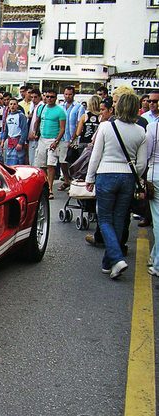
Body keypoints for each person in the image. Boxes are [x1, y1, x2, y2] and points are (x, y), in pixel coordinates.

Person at [86, 93, 147, 279]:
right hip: (128, 178)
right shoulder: (140, 131)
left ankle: (117, 258)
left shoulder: (106, 126)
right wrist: (132, 173)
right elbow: (142, 164)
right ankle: (109, 263)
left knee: (104, 219)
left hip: (106, 174)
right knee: (120, 219)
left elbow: (95, 155)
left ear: (118, 107)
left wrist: (89, 177)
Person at [32, 89, 67, 199]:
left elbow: (62, 129)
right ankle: (43, 187)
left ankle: (50, 189)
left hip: (53, 139)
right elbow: (37, 121)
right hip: (42, 138)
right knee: (41, 165)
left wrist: (56, 141)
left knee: (51, 165)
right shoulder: (41, 108)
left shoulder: (60, 111)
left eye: (52, 97)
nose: (49, 99)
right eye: (47, 96)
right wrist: (34, 131)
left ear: (55, 98)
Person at [59, 86, 85, 189]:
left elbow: (79, 124)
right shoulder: (61, 106)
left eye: (70, 94)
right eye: (66, 94)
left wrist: (72, 139)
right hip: (62, 138)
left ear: (73, 95)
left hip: (73, 138)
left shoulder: (79, 107)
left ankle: (74, 182)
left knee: (73, 161)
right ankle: (66, 180)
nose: (67, 96)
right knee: (62, 161)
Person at [146, 121, 159, 276]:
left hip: (155, 176)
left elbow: (146, 154)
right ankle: (154, 256)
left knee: (157, 219)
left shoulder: (153, 128)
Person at [0, 98, 28, 165]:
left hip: (17, 141)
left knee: (18, 163)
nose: (12, 106)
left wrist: (21, 143)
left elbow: (24, 130)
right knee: (9, 162)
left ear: (17, 106)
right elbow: (6, 130)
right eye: (11, 104)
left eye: (14, 104)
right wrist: (3, 141)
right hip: (10, 142)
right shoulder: (8, 116)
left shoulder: (21, 116)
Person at [27, 88, 44, 166]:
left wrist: (34, 132)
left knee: (35, 158)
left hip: (35, 136)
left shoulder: (41, 105)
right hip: (31, 135)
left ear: (40, 97)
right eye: (32, 97)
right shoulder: (34, 106)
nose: (33, 99)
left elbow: (38, 120)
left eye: (35, 97)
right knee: (31, 157)